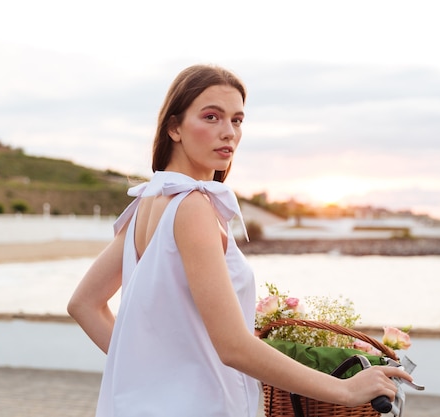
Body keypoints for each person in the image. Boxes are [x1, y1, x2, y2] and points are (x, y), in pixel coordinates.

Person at [68, 64, 412, 417]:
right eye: (212, 117)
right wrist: (343, 388)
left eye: (237, 120)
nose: (228, 132)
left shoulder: (148, 202)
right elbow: (232, 345)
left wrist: (154, 375)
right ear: (174, 127)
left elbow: (84, 304)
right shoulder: (192, 206)